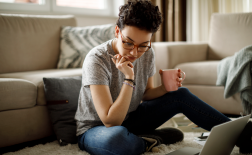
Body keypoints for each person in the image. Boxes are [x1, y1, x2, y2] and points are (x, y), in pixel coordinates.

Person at [74, 0, 231, 155]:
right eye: (128, 43)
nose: (134, 53)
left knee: (180, 94)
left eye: (143, 45)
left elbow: (146, 94)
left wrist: (164, 88)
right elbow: (111, 121)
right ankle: (150, 140)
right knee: (116, 141)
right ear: (117, 32)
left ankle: (242, 134)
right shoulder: (97, 59)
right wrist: (129, 79)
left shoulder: (148, 53)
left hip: (131, 119)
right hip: (97, 129)